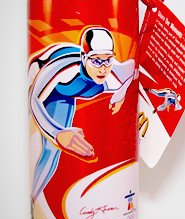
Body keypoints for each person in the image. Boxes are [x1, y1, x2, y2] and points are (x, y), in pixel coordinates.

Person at [29, 27, 137, 200]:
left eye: (108, 60)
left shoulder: (116, 73)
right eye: (96, 61)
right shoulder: (63, 68)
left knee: (52, 151)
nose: (103, 69)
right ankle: (34, 202)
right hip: (41, 81)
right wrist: (57, 133)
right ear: (84, 58)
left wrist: (120, 95)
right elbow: (34, 99)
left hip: (65, 95)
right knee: (49, 145)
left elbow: (133, 71)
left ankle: (33, 200)